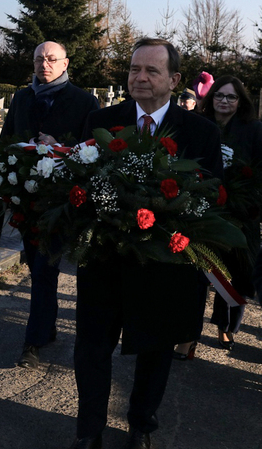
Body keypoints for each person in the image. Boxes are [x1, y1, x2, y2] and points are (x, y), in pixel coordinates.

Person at [69, 38, 223, 449]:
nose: (139, 77)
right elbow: (83, 182)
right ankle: (89, 431)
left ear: (173, 80)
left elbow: (209, 200)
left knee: (154, 352)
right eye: (135, 69)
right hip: (105, 261)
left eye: (151, 71)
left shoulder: (201, 133)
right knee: (92, 349)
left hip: (165, 267)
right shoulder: (101, 120)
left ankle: (141, 425)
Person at [0, 41, 98, 369]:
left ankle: (33, 342)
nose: (45, 64)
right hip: (25, 200)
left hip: (61, 203)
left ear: (65, 62)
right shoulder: (23, 98)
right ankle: (47, 325)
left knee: (43, 269)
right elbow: (7, 140)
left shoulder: (85, 101)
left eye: (52, 59)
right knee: (39, 269)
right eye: (39, 58)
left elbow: (91, 151)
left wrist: (60, 148)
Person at [196, 75, 262, 351]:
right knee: (200, 273)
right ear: (211, 98)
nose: (224, 101)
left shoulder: (254, 129)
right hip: (203, 212)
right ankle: (189, 330)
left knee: (237, 274)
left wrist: (249, 201)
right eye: (219, 96)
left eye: (231, 97)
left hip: (241, 213)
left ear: (240, 102)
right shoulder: (201, 126)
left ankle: (226, 327)